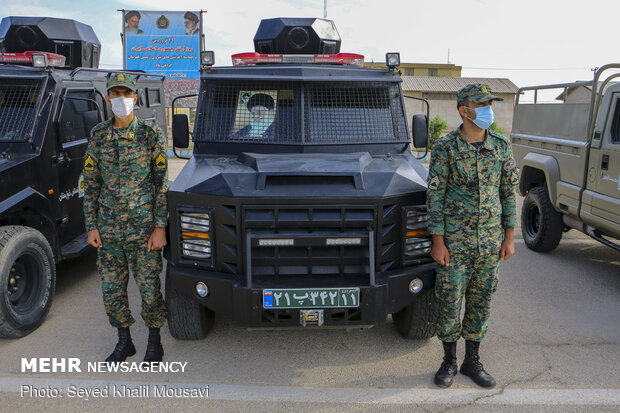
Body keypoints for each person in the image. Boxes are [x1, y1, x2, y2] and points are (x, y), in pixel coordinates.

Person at [426, 84, 518, 388]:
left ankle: (472, 361)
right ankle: (449, 361)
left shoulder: (501, 145)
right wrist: (438, 242)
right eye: (482, 105)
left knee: (481, 303)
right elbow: (435, 196)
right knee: (450, 302)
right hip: (454, 243)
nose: (488, 110)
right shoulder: (446, 147)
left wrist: (509, 237)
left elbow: (508, 192)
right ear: (464, 110)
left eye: (490, 104)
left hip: (490, 243)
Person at [83, 73, 168, 363]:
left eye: (126, 93)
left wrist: (160, 226)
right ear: (108, 98)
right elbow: (91, 184)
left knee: (148, 287)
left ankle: (154, 342)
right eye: (115, 93)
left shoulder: (149, 134)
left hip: (143, 227)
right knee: (112, 289)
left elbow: (161, 184)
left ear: (135, 97)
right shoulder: (98, 135)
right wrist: (91, 226)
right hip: (108, 230)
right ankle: (124, 341)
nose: (121, 99)